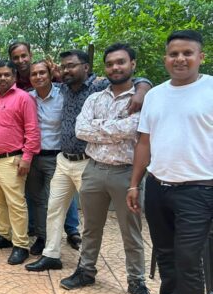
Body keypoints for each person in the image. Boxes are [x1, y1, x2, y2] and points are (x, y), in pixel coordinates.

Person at [26, 50, 151, 272]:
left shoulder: (98, 87)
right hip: (63, 160)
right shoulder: (63, 88)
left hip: (88, 162)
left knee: (92, 219)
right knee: (54, 209)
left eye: (72, 66)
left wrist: (142, 89)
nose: (67, 70)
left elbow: (134, 81)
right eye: (64, 67)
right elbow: (80, 129)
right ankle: (51, 255)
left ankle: (88, 265)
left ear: (86, 67)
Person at [128, 30, 213, 294]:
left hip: (200, 189)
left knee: (189, 258)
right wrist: (135, 183)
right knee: (164, 252)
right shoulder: (156, 95)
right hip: (158, 186)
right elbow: (144, 142)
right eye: (174, 54)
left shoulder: (210, 89)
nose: (180, 59)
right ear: (165, 58)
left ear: (200, 56)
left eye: (187, 53)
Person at [58, 43, 154, 294]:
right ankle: (86, 271)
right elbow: (81, 130)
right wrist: (115, 129)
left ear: (133, 64)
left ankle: (136, 281)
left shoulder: (143, 98)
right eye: (110, 64)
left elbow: (134, 128)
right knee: (91, 227)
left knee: (131, 231)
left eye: (121, 62)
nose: (115, 67)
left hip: (126, 173)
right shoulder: (95, 98)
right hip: (94, 169)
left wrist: (99, 128)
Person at [9, 41, 81, 249]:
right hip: (32, 156)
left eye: (42, 73)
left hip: (56, 156)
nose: (38, 77)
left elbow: (82, 85)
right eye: (34, 74)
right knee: (38, 199)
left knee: (54, 200)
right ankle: (42, 237)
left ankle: (66, 233)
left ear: (50, 75)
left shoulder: (63, 93)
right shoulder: (26, 97)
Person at [0, 60, 40, 265]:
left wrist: (27, 158)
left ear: (14, 76)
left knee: (16, 203)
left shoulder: (24, 98)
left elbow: (32, 130)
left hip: (11, 160)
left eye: (7, 74)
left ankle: (21, 244)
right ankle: (4, 235)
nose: (2, 78)